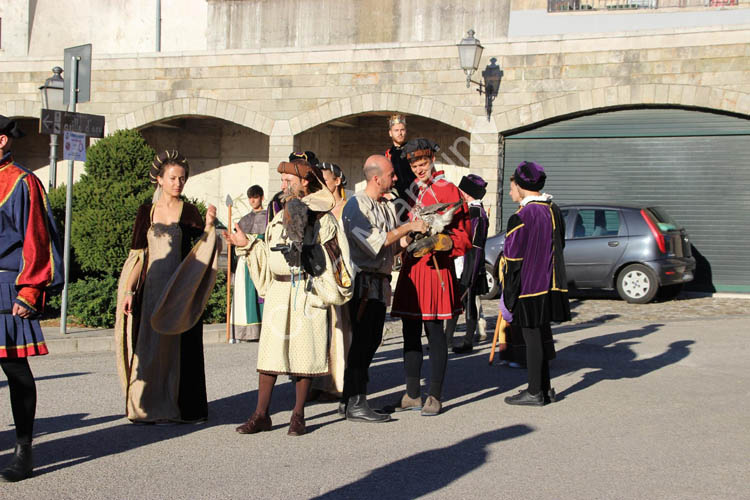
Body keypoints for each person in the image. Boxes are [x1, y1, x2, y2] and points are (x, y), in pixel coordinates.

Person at [225, 158, 353, 436]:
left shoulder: (322, 217)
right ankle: (261, 415)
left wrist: (314, 263)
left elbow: (336, 256)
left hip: (307, 291)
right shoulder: (279, 215)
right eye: (282, 180)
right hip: (279, 292)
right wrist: (246, 245)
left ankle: (298, 415)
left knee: (304, 355)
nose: (282, 186)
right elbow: (270, 255)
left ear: (305, 182)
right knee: (269, 355)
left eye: (288, 181)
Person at [116, 150, 217, 424]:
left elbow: (203, 252)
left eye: (182, 179)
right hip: (150, 290)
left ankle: (180, 408)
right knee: (148, 349)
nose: (178, 183)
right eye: (173, 178)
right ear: (159, 179)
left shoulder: (190, 212)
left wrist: (209, 227)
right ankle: (145, 407)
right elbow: (137, 256)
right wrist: (129, 291)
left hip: (179, 292)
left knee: (179, 349)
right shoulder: (145, 212)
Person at [341, 155, 428, 422]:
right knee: (363, 344)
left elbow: (392, 245)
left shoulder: (386, 206)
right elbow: (374, 243)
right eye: (392, 175)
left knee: (370, 341)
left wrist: (417, 236)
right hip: (363, 286)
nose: (396, 179)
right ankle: (355, 402)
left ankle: (351, 400)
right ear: (377, 178)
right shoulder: (356, 206)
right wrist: (409, 226)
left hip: (380, 283)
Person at [0, 116, 63, 482]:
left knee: (14, 369)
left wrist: (31, 290)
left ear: (3, 141)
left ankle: (24, 450)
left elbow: (37, 239)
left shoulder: (24, 182)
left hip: (9, 286)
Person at [390, 138, 472, 416]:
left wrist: (438, 243)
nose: (419, 168)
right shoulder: (411, 192)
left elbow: (463, 236)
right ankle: (412, 393)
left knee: (435, 334)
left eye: (422, 163)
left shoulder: (448, 189)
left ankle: (434, 395)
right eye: (414, 164)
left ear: (432, 160)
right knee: (409, 332)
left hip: (436, 268)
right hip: (413, 269)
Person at [500, 161, 571, 406]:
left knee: (531, 339)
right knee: (541, 336)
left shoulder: (521, 216)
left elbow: (512, 259)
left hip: (529, 286)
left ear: (520, 186)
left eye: (513, 187)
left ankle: (534, 391)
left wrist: (509, 293)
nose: (511, 192)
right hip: (551, 284)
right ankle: (545, 388)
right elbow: (560, 245)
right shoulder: (554, 210)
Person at [308, 161, 350, 402]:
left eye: (326, 179)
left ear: (337, 181)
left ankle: (336, 382)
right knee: (319, 329)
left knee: (338, 329)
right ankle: (318, 378)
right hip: (318, 272)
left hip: (337, 272)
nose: (323, 184)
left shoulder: (346, 207)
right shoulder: (317, 208)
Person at [445, 174, 490, 354]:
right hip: (463, 265)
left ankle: (467, 340)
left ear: (468, 193)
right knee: (458, 304)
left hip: (469, 266)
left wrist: (469, 272)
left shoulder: (476, 214)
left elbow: (475, 246)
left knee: (468, 303)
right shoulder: (470, 211)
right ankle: (447, 338)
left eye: (461, 190)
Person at [232, 185, 267, 342]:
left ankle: (265, 328)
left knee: (262, 293)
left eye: (255, 197)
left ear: (261, 198)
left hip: (261, 260)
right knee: (246, 294)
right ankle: (248, 333)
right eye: (250, 197)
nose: (253, 200)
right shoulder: (244, 220)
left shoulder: (269, 218)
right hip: (245, 261)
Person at [384, 114, 417, 220]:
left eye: (402, 130)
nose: (400, 133)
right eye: (396, 130)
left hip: (415, 196)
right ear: (390, 133)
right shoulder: (387, 155)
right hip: (396, 198)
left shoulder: (414, 151)